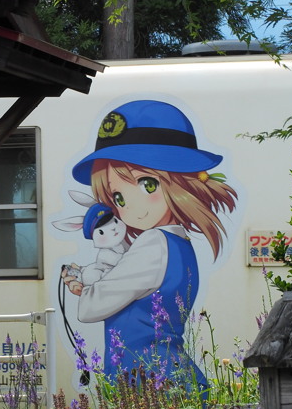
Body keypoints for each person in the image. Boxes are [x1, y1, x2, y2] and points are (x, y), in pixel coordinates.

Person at [61, 99, 237, 389]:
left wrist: (89, 287)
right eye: (117, 197)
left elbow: (89, 308)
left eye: (147, 185)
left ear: (178, 183)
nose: (129, 206)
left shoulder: (153, 244)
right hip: (168, 379)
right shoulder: (179, 243)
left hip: (148, 383)